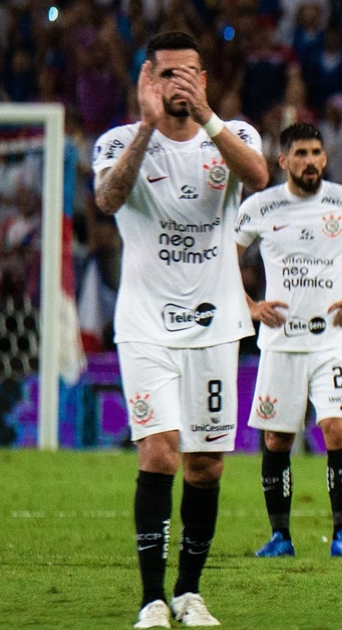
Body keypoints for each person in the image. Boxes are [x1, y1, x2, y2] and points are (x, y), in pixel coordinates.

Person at [92, 31, 269, 629]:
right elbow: (108, 199)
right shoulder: (119, 142)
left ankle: (189, 592)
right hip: (145, 326)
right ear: (148, 80)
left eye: (189, 73)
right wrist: (146, 127)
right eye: (168, 74)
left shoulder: (234, 134)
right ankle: (150, 600)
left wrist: (207, 116)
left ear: (204, 78)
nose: (180, 84)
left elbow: (260, 176)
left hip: (217, 326)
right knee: (161, 453)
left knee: (206, 467)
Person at [235, 123, 342, 559]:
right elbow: (223, 258)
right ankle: (280, 538)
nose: (310, 160)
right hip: (280, 341)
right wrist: (249, 305)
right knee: (277, 441)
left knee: (338, 431)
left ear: (325, 158)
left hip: (332, 341)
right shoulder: (260, 207)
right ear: (283, 160)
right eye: (300, 153)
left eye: (316, 152)